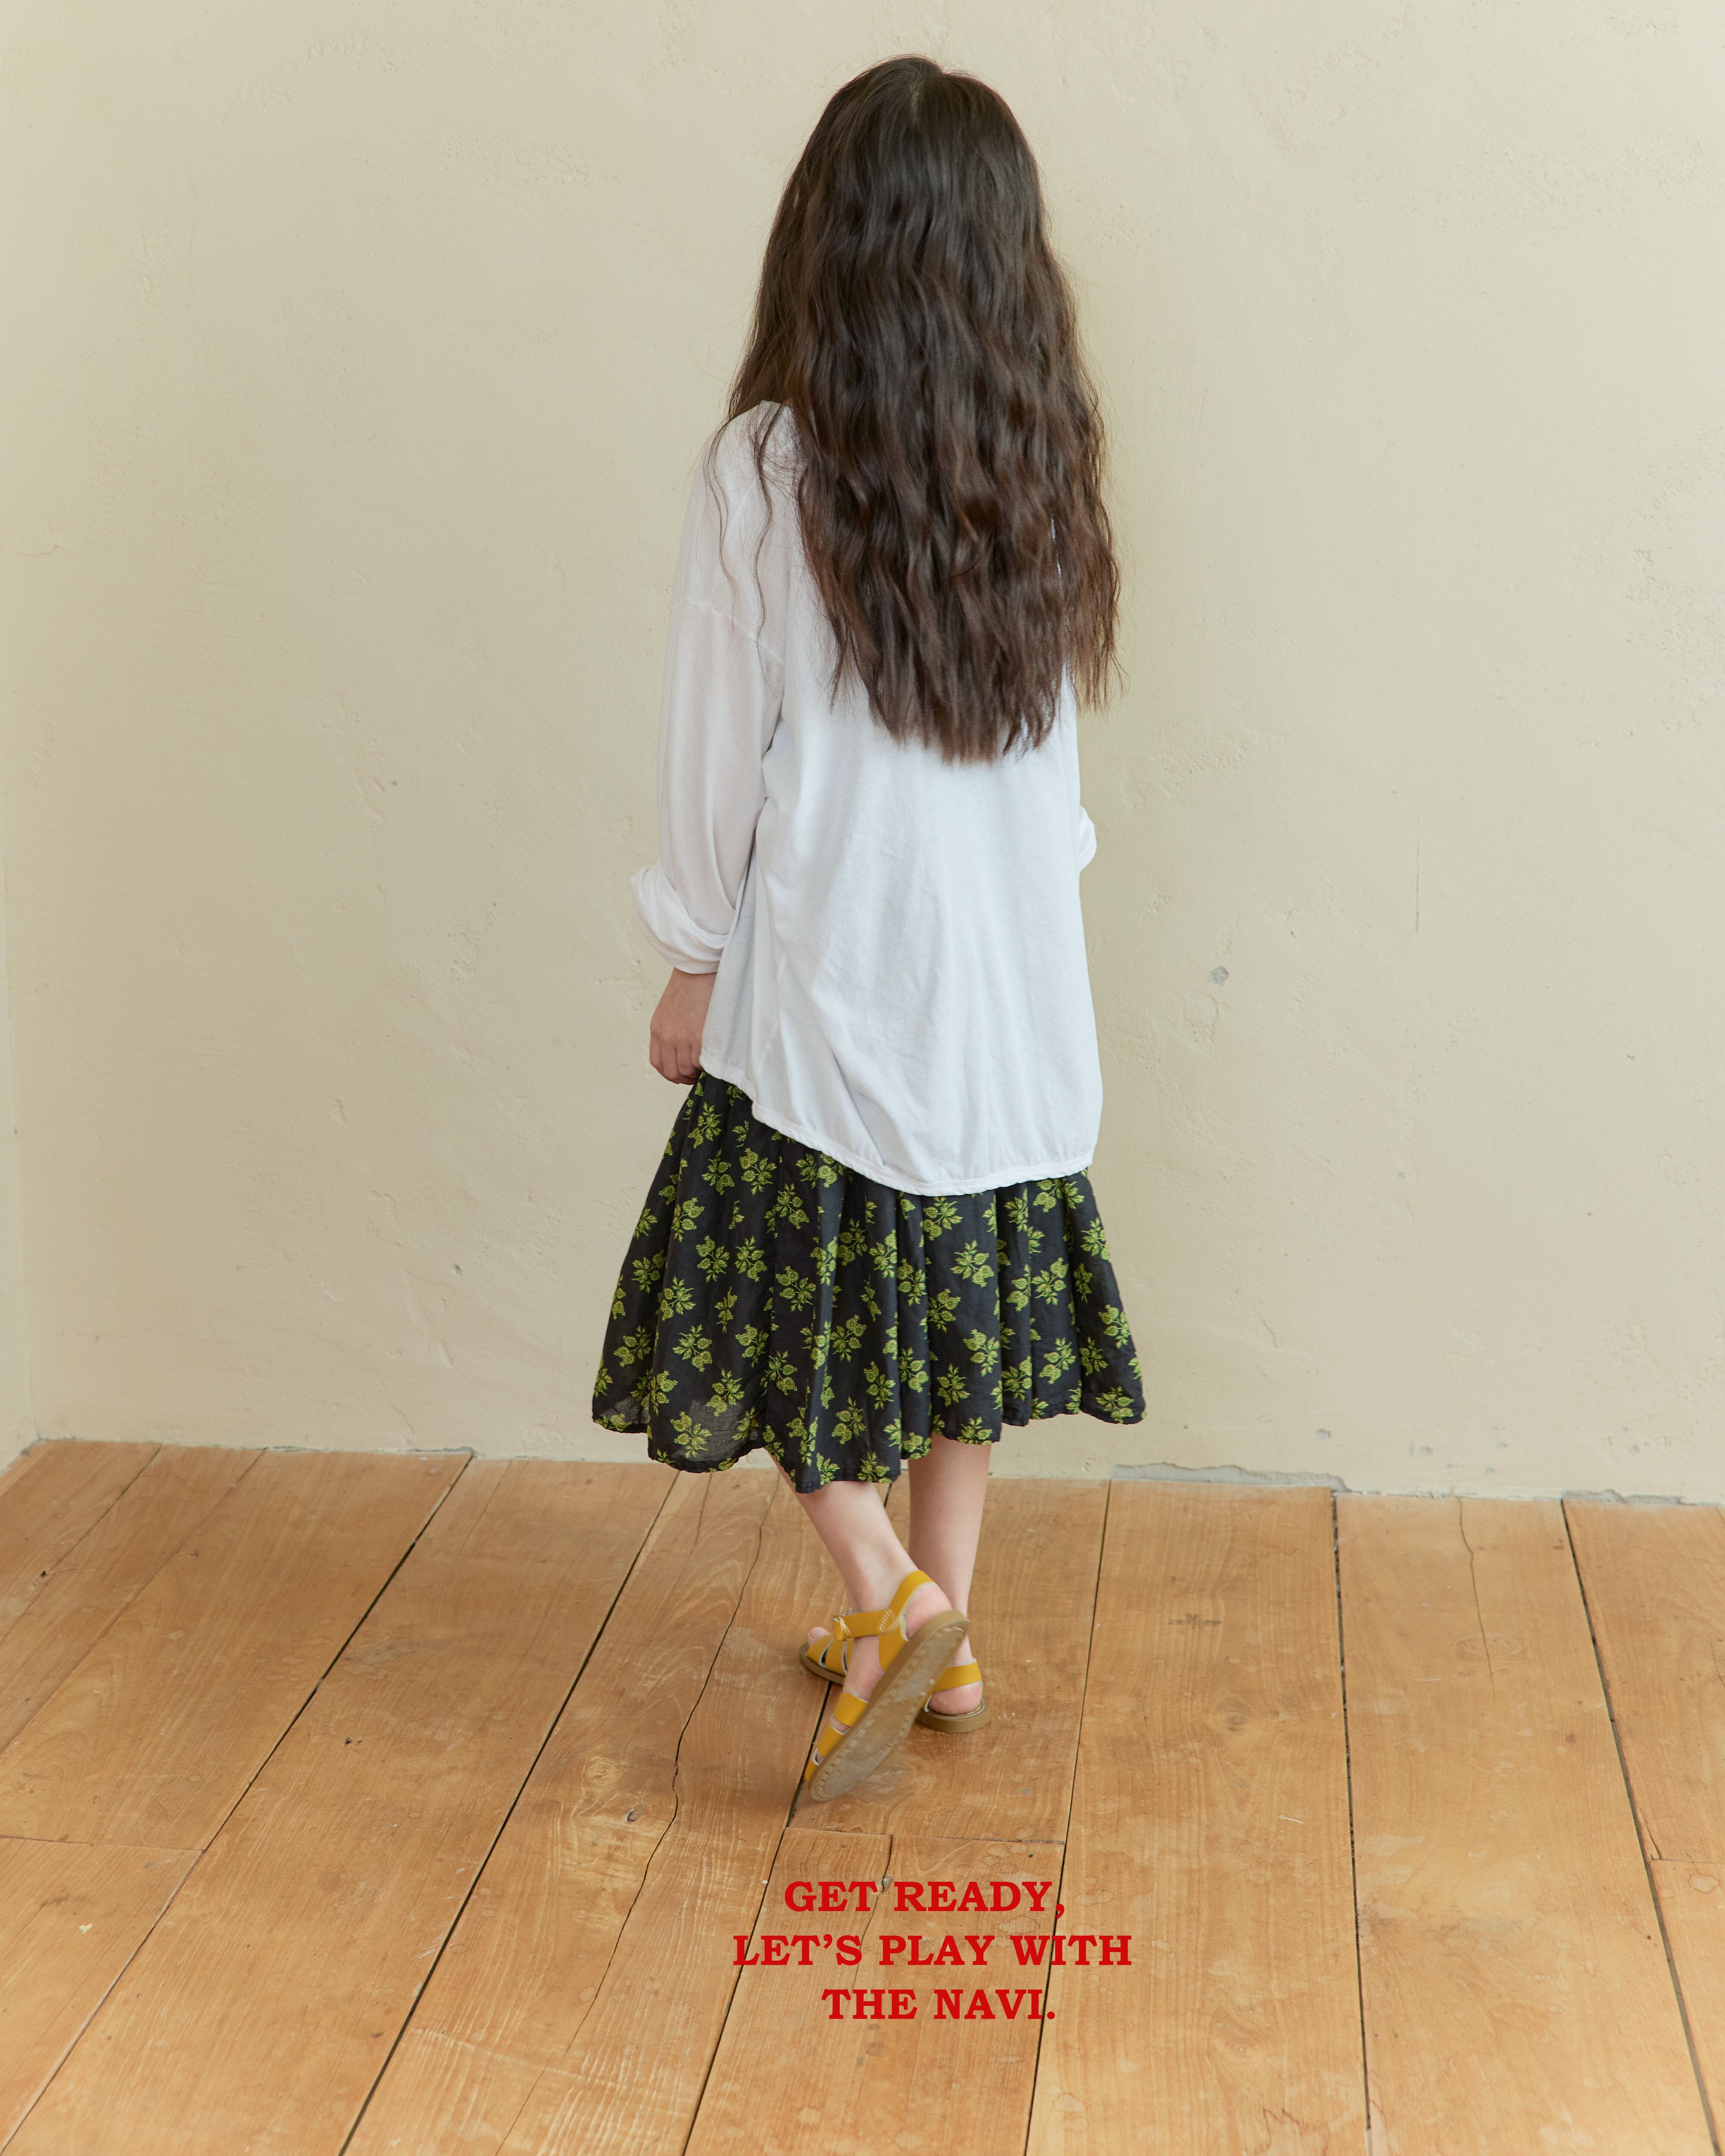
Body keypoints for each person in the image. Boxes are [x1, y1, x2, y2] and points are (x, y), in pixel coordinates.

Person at [592, 54, 1145, 1803]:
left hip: (835, 972)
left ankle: (892, 1596)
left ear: (822, 239)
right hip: (1002, 972)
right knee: (958, 1305)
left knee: (759, 1302)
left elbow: (718, 743)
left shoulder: (767, 467)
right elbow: (1053, 764)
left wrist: (690, 952)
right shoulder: (1036, 452)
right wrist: (1033, 910)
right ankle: (945, 1632)